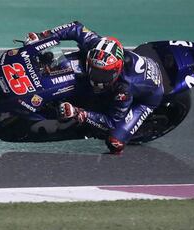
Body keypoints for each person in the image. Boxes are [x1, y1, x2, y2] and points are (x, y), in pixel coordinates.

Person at [25, 21, 164, 154]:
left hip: (148, 98)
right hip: (128, 70)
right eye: (95, 70)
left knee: (115, 143)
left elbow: (111, 122)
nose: (96, 77)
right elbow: (75, 27)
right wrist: (43, 36)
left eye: (104, 74)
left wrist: (80, 113)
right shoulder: (96, 45)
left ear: (116, 71)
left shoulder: (124, 90)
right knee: (55, 63)